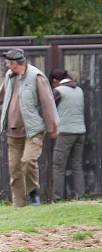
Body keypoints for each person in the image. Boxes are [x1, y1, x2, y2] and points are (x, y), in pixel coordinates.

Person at [0, 48, 58, 207]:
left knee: (27, 161)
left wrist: (52, 127)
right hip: (13, 131)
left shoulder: (36, 77)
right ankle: (19, 204)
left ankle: (33, 193)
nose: (6, 65)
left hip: (33, 130)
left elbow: (48, 103)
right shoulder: (10, 77)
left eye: (8, 62)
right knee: (15, 170)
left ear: (15, 63)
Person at [49, 68, 86, 201]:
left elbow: (49, 109)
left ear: (54, 81)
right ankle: (80, 197)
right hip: (81, 132)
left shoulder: (58, 91)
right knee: (77, 165)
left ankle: (57, 198)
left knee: (58, 166)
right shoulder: (79, 90)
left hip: (65, 132)